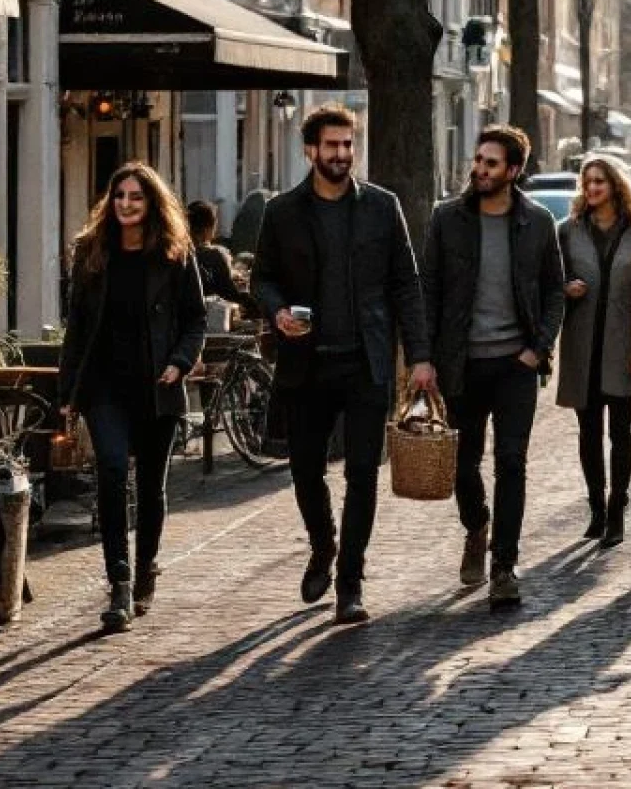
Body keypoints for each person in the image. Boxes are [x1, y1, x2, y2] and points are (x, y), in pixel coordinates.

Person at [254, 105, 430, 626]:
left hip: (365, 362)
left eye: (348, 145)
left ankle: (350, 581)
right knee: (305, 470)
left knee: (361, 475)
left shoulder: (382, 207)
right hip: (305, 364)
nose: (341, 155)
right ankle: (322, 545)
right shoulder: (283, 212)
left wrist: (419, 356)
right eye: (331, 146)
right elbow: (261, 277)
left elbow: (406, 282)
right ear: (310, 150)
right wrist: (277, 310)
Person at [408, 124, 565, 611]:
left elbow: (554, 289)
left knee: (512, 463)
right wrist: (423, 357)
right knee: (463, 462)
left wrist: (538, 348)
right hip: (461, 363)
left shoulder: (537, 222)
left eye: (491, 163)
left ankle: (504, 565)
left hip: (516, 364)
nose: (479, 169)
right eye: (478, 160)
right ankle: (477, 526)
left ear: (513, 171)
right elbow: (427, 288)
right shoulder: (447, 219)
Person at [55, 163, 206, 631]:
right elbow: (76, 328)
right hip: (104, 385)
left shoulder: (175, 253)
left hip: (156, 386)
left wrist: (179, 361)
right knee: (113, 471)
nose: (126, 204)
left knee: (151, 487)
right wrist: (68, 392)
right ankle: (118, 581)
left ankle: (146, 568)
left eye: (136, 197)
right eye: (119, 195)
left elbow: (195, 318)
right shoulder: (90, 253)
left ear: (152, 203)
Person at [556, 155, 631, 549]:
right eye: (588, 181)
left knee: (621, 432)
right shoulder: (568, 230)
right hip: (583, 344)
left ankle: (618, 508)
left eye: (600, 181)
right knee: (588, 431)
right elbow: (551, 281)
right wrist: (565, 288)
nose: (593, 188)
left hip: (624, 345)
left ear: (616, 185)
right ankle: (596, 506)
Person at [187, 200, 256, 315]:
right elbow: (229, 293)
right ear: (209, 228)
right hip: (210, 318)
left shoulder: (175, 253)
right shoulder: (213, 255)